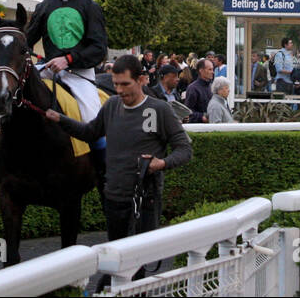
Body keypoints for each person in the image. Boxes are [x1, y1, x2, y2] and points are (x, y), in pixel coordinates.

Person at [45, 55, 192, 272]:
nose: (120, 90)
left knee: (138, 265)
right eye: (115, 85)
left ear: (141, 80)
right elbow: (90, 132)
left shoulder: (160, 109)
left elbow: (185, 149)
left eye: (125, 84)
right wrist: (62, 119)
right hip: (114, 196)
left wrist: (162, 163)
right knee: (117, 264)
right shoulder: (112, 105)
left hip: (145, 199)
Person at [24, 0, 108, 124]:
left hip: (79, 74)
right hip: (48, 70)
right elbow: (26, 43)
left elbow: (98, 49)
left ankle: (102, 151)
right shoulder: (44, 7)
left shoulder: (90, 6)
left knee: (92, 121)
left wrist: (68, 59)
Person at [183, 57, 214, 122]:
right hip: (198, 128)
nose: (212, 72)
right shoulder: (193, 88)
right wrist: (201, 117)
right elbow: (188, 111)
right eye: (210, 69)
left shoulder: (211, 86)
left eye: (212, 69)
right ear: (201, 70)